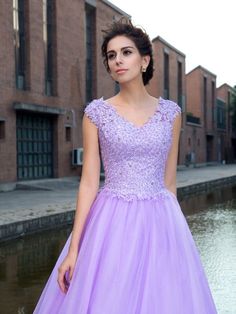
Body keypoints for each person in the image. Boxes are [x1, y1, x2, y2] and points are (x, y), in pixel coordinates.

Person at [33, 18, 218, 313]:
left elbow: (169, 183)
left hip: (162, 222)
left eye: (126, 52)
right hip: (111, 222)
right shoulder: (96, 114)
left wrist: (176, 237)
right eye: (111, 55)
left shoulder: (171, 114)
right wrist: (73, 249)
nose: (118, 60)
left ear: (145, 60)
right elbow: (89, 183)